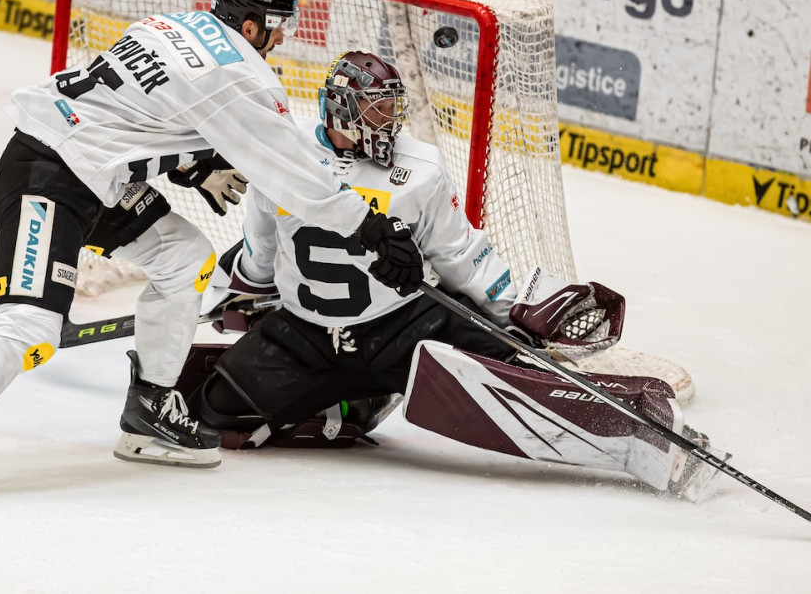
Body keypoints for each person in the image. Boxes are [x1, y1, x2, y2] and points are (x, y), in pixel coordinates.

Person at [0, 0, 424, 507]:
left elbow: (135, 113)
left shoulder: (170, 25)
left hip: (91, 173)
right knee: (31, 325)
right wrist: (372, 226)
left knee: (185, 256)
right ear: (251, 24)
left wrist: (193, 168)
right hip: (50, 177)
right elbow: (294, 172)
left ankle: (150, 410)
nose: (280, 39)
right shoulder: (239, 74)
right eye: (277, 27)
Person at [188, 51, 727, 501]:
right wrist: (238, 296)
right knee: (216, 411)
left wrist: (510, 315)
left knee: (519, 381)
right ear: (343, 108)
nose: (390, 121)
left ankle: (650, 434)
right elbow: (259, 255)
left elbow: (459, 253)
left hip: (404, 324)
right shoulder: (284, 156)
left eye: (392, 108)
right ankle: (353, 402)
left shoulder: (418, 168)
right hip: (307, 334)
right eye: (378, 109)